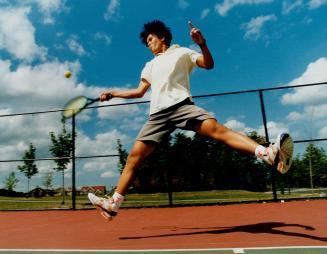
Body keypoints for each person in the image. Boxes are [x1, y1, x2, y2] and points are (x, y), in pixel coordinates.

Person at [88, 20, 293, 220]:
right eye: (147, 42)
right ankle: (113, 204)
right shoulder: (149, 65)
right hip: (158, 115)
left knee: (216, 130)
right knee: (134, 157)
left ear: (162, 37)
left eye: (151, 39)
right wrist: (113, 93)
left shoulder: (182, 52)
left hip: (181, 106)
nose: (149, 44)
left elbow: (208, 64)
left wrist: (201, 44)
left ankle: (266, 153)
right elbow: (139, 92)